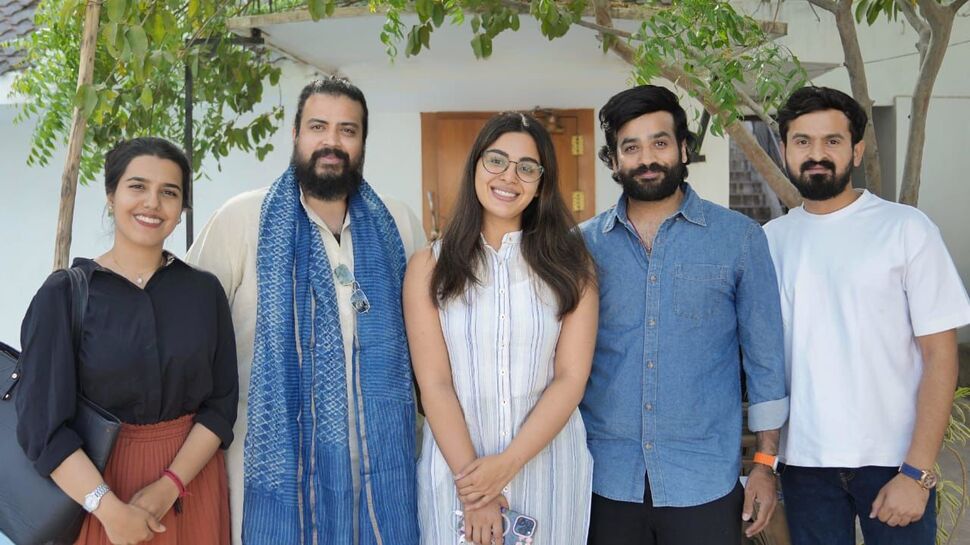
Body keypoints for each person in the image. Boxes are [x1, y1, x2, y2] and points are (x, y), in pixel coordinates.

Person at [187, 77, 426, 545]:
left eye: (347, 130)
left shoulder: (398, 222)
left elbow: (429, 337)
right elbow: (190, 334)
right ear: (295, 133)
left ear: (362, 142)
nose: (331, 142)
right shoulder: (242, 219)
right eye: (318, 127)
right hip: (272, 473)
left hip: (383, 472)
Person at [579, 85, 789, 545]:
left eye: (660, 142)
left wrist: (765, 465)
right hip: (603, 478)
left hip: (704, 480)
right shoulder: (582, 246)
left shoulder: (739, 238)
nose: (647, 159)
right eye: (630, 147)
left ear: (684, 148)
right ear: (613, 161)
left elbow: (766, 361)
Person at [765, 86, 970, 545]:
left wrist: (917, 471)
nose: (816, 154)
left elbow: (941, 356)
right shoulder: (770, 241)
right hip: (804, 465)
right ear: (784, 150)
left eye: (832, 141)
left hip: (894, 461)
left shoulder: (906, 229)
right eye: (802, 141)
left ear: (856, 150)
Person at [16, 137, 238, 545]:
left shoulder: (204, 292)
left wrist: (169, 486)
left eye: (169, 192)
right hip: (97, 494)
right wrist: (109, 510)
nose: (152, 203)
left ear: (182, 209)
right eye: (137, 186)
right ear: (111, 195)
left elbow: (221, 406)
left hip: (191, 485)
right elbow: (42, 428)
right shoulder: (64, 295)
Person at [404, 112, 597, 545]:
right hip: (457, 479)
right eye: (496, 160)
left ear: (541, 183)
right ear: (475, 165)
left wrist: (506, 466)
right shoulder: (428, 267)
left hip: (549, 473)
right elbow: (434, 384)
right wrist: (477, 492)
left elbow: (571, 378)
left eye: (527, 167)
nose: (509, 176)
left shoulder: (572, 266)